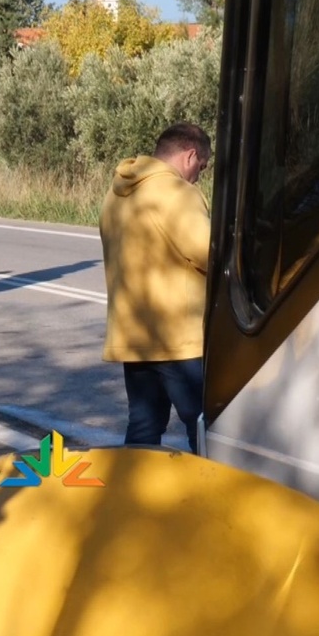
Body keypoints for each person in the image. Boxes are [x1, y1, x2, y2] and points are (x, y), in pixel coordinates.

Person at [99, 122, 212, 454]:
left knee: (144, 426)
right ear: (190, 155)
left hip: (133, 335)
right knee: (203, 428)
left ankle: (130, 498)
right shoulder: (177, 193)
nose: (198, 177)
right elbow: (209, 254)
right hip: (178, 338)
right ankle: (209, 501)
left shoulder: (117, 193)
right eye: (201, 168)